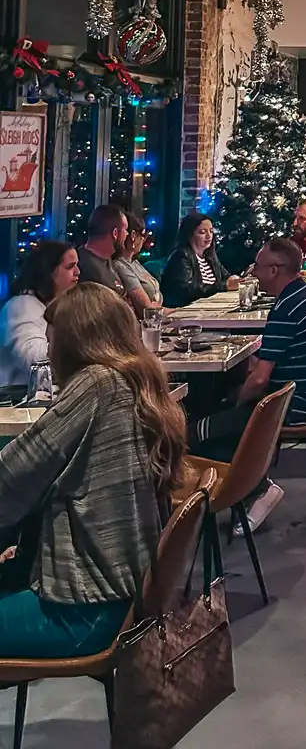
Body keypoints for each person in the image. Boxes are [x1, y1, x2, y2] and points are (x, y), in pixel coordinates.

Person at [0, 284, 185, 659]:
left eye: (52, 342)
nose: (49, 354)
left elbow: (12, 475)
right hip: (122, 592)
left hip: (85, 606)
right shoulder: (136, 380)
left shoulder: (96, 384)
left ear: (74, 343)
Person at [189, 236, 306, 493]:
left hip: (291, 407)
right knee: (223, 402)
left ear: (274, 270)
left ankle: (255, 493)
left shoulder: (286, 310)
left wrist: (235, 404)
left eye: (258, 266)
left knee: (197, 432)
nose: (254, 272)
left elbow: (260, 379)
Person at [0, 241, 79, 387]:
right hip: (17, 403)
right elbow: (36, 362)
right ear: (48, 272)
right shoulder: (21, 307)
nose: (77, 272)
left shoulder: (52, 305)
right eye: (70, 267)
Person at [160, 213, 239, 309]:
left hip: (209, 308)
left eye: (211, 231)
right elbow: (186, 291)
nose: (209, 236)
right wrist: (224, 286)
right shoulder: (181, 256)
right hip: (187, 310)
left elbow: (226, 277)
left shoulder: (209, 255)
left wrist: (237, 280)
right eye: (202, 232)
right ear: (190, 234)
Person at [113, 213, 162, 317]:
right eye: (143, 235)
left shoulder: (134, 262)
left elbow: (158, 296)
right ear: (133, 236)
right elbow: (148, 310)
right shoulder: (120, 265)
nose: (144, 240)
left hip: (157, 318)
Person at [76, 203, 128, 292]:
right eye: (125, 230)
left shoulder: (107, 259)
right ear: (115, 233)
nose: (127, 234)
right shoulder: (86, 268)